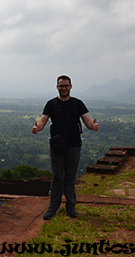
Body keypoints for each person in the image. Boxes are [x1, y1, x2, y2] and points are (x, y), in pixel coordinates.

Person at [32, 75, 99, 220]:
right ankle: (53, 208)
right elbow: (43, 121)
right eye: (61, 86)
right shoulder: (51, 104)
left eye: (66, 85)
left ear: (71, 86)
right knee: (57, 176)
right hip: (57, 144)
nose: (63, 88)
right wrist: (37, 128)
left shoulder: (77, 103)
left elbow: (87, 121)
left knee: (70, 176)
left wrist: (93, 126)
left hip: (74, 144)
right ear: (57, 87)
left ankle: (71, 207)